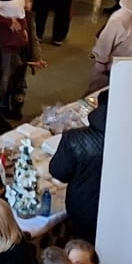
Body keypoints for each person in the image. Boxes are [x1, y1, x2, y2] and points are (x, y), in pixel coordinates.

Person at [50, 97, 110, 244]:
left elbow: (58, 172)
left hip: (83, 206)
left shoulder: (74, 138)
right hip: (117, 206)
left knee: (84, 243)